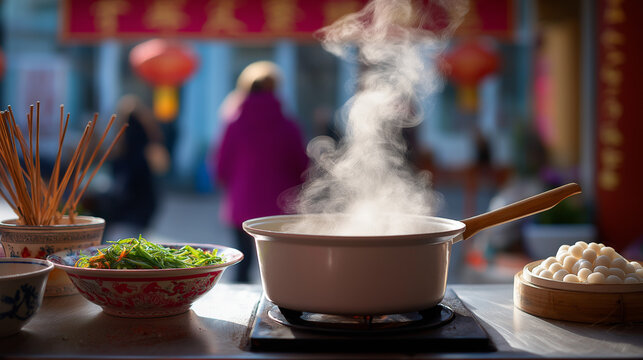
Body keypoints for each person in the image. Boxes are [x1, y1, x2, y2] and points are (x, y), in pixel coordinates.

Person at [213, 61, 309, 283]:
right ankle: (283, 309)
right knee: (280, 267)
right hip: (279, 207)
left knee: (242, 264)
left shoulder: (234, 123)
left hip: (242, 204)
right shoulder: (288, 124)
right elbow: (302, 167)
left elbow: (220, 167)